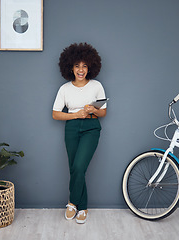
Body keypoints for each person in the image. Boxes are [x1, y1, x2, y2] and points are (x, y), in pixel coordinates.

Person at [52, 42, 107, 224]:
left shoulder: (97, 86)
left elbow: (103, 112)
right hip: (72, 128)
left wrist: (93, 110)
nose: (81, 70)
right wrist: (76, 114)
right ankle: (82, 208)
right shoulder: (64, 89)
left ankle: (72, 202)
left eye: (84, 66)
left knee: (79, 166)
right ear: (70, 67)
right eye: (77, 66)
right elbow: (55, 114)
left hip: (91, 128)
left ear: (90, 66)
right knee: (74, 167)